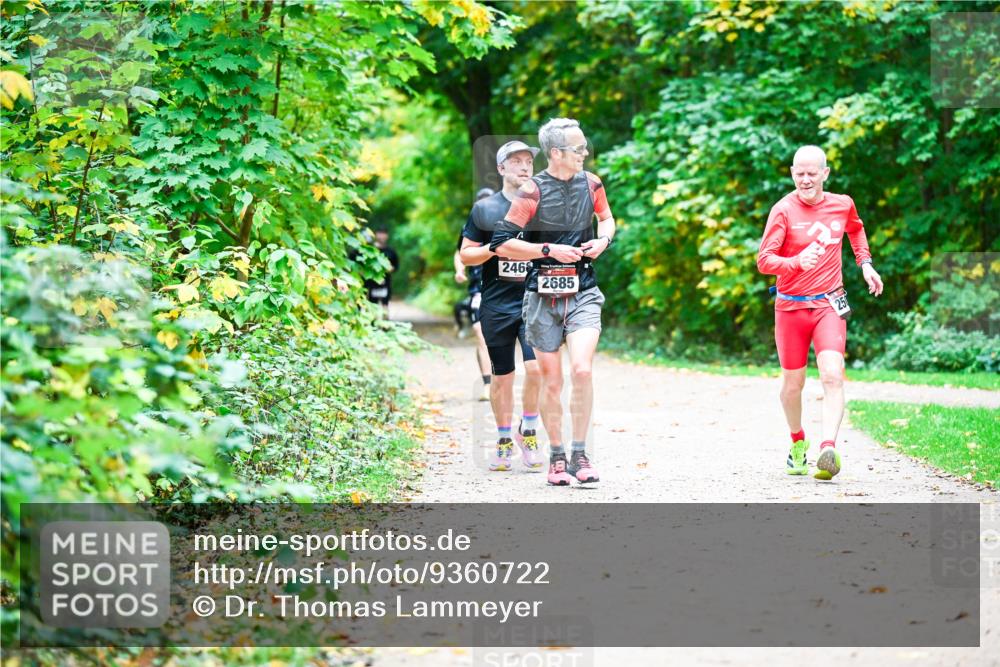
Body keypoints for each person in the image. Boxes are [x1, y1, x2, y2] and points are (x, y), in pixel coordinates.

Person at [490, 120, 615, 486]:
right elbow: (501, 243)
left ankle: (580, 454)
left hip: (584, 292)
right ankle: (557, 457)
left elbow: (606, 220)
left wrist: (603, 242)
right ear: (557, 153)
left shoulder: (592, 184)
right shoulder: (532, 191)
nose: (585, 153)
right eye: (578, 149)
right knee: (553, 380)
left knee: (582, 370)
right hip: (541, 299)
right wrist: (547, 250)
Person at [757, 145, 884, 480]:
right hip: (790, 308)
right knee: (792, 385)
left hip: (829, 304)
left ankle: (828, 448)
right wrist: (796, 262)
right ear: (792, 173)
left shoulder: (842, 204)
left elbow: (855, 229)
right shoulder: (783, 210)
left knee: (832, 373)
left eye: (812, 173)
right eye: (799, 173)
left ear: (825, 173)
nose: (805, 179)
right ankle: (798, 441)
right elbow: (764, 260)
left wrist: (865, 264)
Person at [460, 142, 545, 472]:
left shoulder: (542, 207)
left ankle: (530, 430)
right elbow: (467, 254)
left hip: (533, 302)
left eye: (528, 162)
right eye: (516, 162)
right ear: (501, 169)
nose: (525, 167)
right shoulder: (485, 210)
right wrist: (496, 250)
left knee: (536, 369)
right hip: (496, 304)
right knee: (503, 377)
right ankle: (505, 439)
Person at [455, 189, 495, 401]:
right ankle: (487, 383)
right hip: (478, 290)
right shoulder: (469, 228)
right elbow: (459, 251)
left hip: (502, 289)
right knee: (481, 335)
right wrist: (459, 269)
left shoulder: (506, 224)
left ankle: (503, 379)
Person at [365, 228, 399, 312]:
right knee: (372, 305)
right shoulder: (370, 250)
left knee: (385, 305)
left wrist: (389, 269)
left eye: (384, 233)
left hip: (385, 282)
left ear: (387, 236)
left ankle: (385, 324)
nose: (382, 236)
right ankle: (372, 323)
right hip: (372, 283)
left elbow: (396, 266)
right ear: (376, 235)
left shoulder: (391, 251)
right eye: (380, 233)